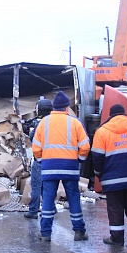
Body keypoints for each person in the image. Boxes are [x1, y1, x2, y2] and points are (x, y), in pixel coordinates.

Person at [32, 91, 90, 241]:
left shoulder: (43, 122)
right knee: (73, 198)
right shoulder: (75, 122)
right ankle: (79, 232)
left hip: (49, 167)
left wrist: (40, 161)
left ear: (53, 108)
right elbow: (85, 146)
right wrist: (79, 160)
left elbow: (36, 147)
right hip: (70, 167)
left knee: (48, 199)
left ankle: (45, 233)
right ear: (66, 107)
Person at [92, 104, 127, 246]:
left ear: (110, 115)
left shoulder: (102, 131)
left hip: (112, 179)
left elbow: (97, 157)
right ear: (124, 114)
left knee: (115, 209)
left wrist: (99, 173)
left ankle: (117, 238)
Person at [23, 98, 53, 219]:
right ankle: (51, 208)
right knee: (47, 186)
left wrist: (30, 132)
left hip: (40, 158)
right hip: (52, 159)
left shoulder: (38, 124)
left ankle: (33, 211)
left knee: (36, 185)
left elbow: (33, 140)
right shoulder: (55, 122)